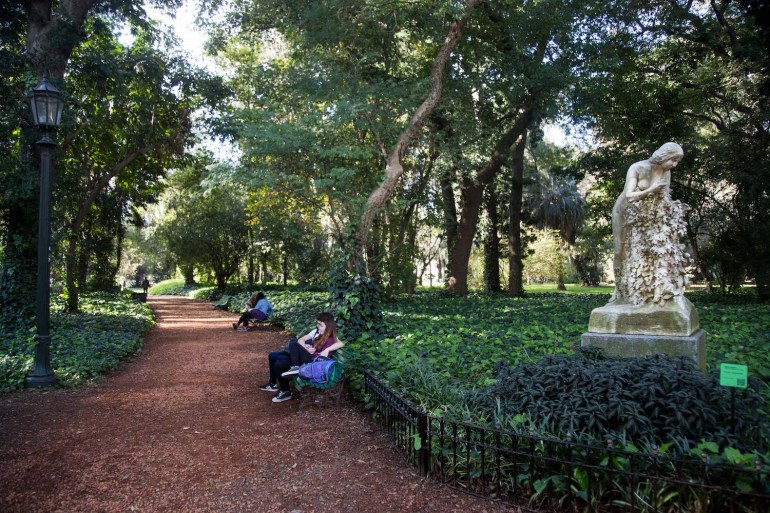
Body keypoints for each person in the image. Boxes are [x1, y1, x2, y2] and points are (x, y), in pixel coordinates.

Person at [610, 142, 686, 305]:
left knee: (648, 249)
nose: (675, 164)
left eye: (677, 161)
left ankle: (650, 291)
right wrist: (651, 190)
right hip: (623, 212)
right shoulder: (637, 168)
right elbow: (630, 195)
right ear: (664, 156)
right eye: (673, 160)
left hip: (644, 215)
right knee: (620, 250)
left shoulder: (666, 172)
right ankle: (619, 292)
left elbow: (663, 198)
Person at [258, 312, 344, 403]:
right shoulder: (319, 333)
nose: (318, 326)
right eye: (318, 323)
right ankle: (281, 388)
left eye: (320, 325)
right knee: (278, 360)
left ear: (328, 326)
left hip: (312, 364)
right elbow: (307, 344)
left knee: (291, 347)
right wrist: (308, 348)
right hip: (308, 358)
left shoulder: (330, 338)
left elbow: (340, 343)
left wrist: (326, 350)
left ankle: (291, 376)